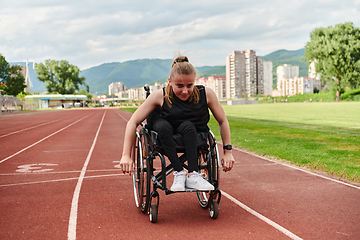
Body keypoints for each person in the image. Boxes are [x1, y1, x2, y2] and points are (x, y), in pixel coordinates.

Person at [120, 55, 235, 192]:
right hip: (165, 130)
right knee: (163, 126)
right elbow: (133, 121)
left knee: (189, 126)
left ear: (194, 82)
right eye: (179, 86)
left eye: (189, 85)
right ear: (170, 81)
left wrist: (228, 152)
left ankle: (192, 174)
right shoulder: (159, 96)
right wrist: (126, 155)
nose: (185, 91)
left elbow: (222, 120)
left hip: (191, 132)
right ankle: (179, 172)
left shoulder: (206, 94)